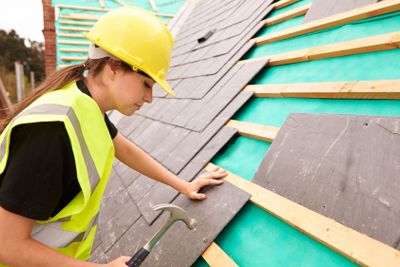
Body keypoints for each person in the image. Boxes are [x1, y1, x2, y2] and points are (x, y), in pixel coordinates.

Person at [0, 7, 227, 267]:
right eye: (146, 84)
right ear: (114, 67)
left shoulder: (85, 105)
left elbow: (125, 149)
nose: (150, 98)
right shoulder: (53, 132)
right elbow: (7, 246)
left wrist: (182, 185)